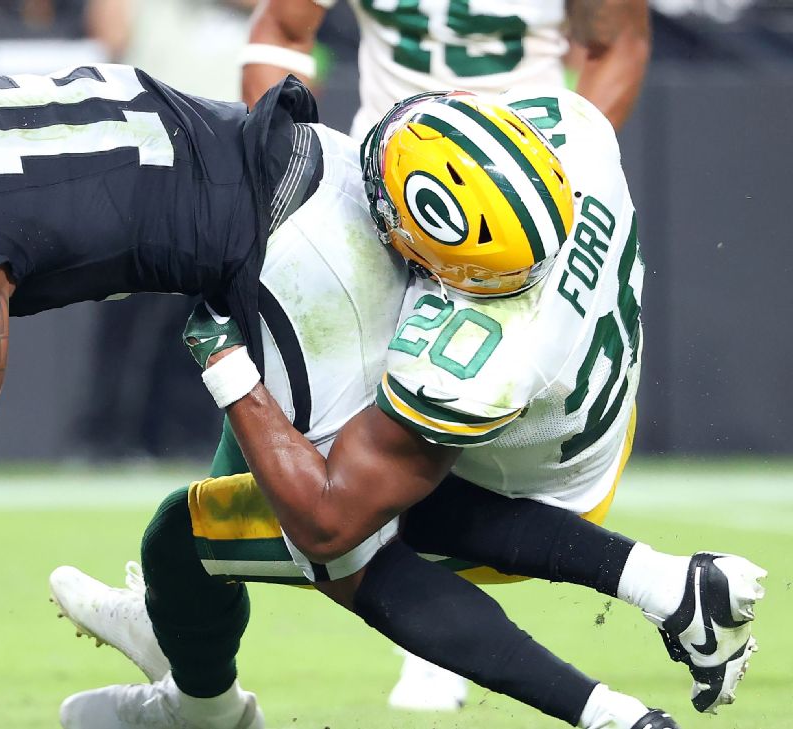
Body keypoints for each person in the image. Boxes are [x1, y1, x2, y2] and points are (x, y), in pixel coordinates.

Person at [0, 38, 683, 728]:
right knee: (241, 527)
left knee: (341, 535)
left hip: (300, 269)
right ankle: (659, 590)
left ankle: (611, 713)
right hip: (301, 169)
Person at [51, 90, 764, 728]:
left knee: (228, 535)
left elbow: (330, 519)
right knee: (302, 415)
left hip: (524, 483)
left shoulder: (473, 351)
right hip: (586, 410)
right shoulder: (576, 136)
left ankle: (609, 714)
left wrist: (226, 367)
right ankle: (670, 585)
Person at [240, 0, 651, 705]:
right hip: (384, 208)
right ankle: (184, 618)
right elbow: (281, 30)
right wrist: (282, 169)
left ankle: (458, 633)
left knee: (435, 447)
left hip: (518, 218)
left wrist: (532, 188)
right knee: (300, 432)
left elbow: (618, 45)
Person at [239, 0, 651, 137]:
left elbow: (617, 46)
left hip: (530, 170)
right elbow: (281, 31)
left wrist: (567, 164)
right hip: (379, 174)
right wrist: (281, 155)